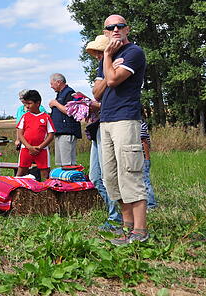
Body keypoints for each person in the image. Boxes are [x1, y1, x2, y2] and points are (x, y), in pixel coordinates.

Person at [92, 14, 148, 245]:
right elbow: (96, 92)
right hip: (106, 121)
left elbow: (113, 80)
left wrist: (107, 59)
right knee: (111, 177)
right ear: (105, 32)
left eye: (119, 26)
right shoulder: (107, 59)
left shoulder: (134, 53)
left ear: (127, 29)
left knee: (130, 173)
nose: (115, 29)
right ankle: (126, 227)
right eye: (110, 27)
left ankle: (140, 231)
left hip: (125, 119)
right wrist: (108, 64)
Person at [85, 35, 123, 230]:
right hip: (98, 125)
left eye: (101, 52)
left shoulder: (115, 66)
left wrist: (94, 103)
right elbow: (97, 91)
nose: (98, 56)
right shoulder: (103, 67)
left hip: (110, 123)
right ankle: (115, 213)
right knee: (95, 176)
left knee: (109, 174)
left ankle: (117, 217)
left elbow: (98, 92)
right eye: (97, 53)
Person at [15, 90, 53, 181]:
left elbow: (51, 134)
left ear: (38, 103)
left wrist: (40, 147)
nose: (27, 106)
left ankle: (46, 193)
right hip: (26, 149)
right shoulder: (25, 117)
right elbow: (20, 133)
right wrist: (29, 147)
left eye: (29, 103)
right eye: (26, 104)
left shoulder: (46, 117)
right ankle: (16, 191)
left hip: (42, 150)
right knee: (21, 172)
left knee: (45, 174)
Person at [48, 73, 82, 166]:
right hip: (60, 132)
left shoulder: (70, 93)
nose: (51, 86)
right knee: (61, 163)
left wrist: (56, 104)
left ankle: (71, 179)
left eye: (52, 84)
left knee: (68, 163)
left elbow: (69, 111)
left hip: (67, 132)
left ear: (58, 82)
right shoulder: (60, 94)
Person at [140, 117, 157, 209]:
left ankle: (151, 204)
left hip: (143, 158)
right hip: (140, 158)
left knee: (145, 181)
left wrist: (146, 158)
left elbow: (144, 142)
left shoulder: (140, 124)